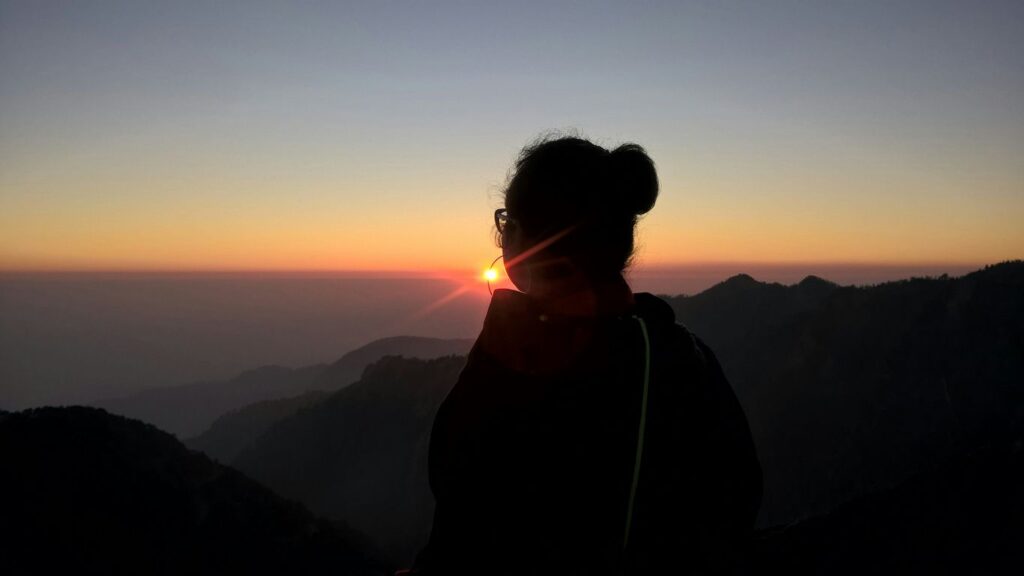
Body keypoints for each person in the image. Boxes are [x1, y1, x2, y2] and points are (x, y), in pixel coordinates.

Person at [411, 136, 762, 575]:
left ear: (520, 237)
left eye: (505, 221)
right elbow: (737, 497)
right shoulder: (681, 353)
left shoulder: (513, 359)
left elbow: (461, 510)